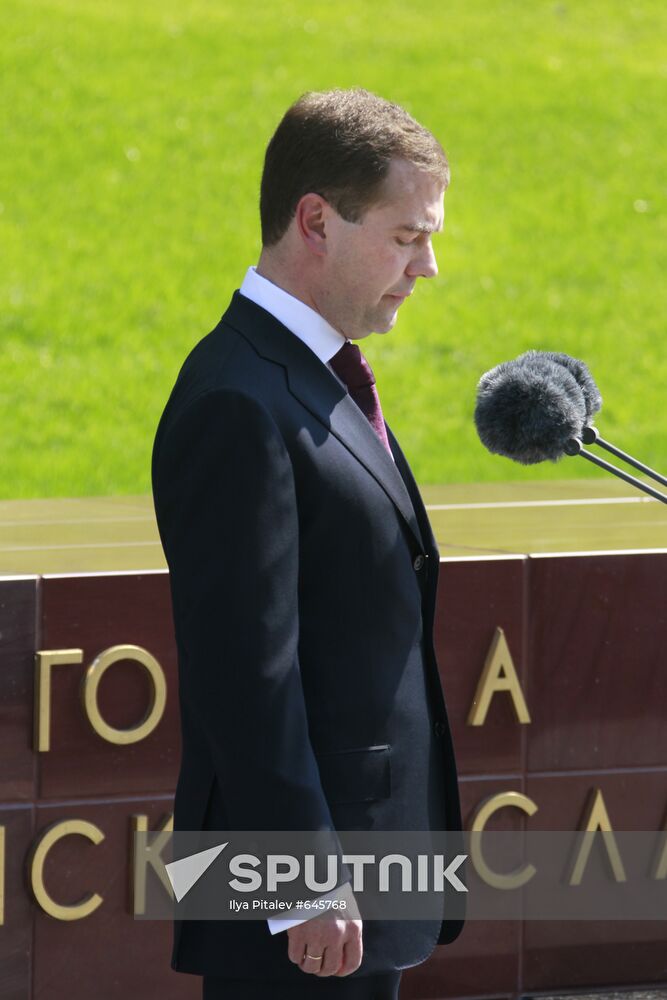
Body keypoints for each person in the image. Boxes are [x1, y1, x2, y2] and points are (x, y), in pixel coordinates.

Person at [151, 87, 464, 1000]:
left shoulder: (313, 373)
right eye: (407, 237)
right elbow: (243, 673)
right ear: (315, 221)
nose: (429, 266)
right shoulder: (235, 400)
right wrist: (300, 882)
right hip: (295, 906)